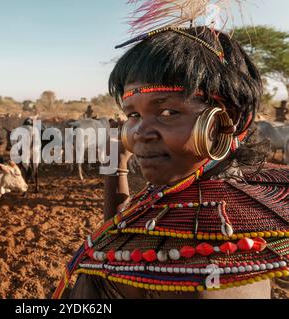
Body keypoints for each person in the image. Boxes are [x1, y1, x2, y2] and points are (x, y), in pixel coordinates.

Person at [53, 23, 289, 299]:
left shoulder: (208, 276)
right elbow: (120, 236)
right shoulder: (184, 186)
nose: (140, 132)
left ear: (229, 118)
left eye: (167, 111)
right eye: (134, 115)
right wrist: (115, 169)